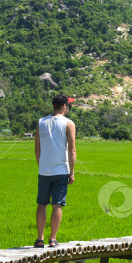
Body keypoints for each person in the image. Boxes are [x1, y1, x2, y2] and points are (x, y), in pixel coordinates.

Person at [34, 94, 76, 248]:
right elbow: (72, 150)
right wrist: (71, 172)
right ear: (64, 106)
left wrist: (42, 165)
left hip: (44, 171)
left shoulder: (40, 122)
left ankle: (40, 239)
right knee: (57, 204)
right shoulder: (68, 124)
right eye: (68, 105)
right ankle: (52, 239)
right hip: (61, 170)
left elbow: (37, 150)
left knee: (41, 204)